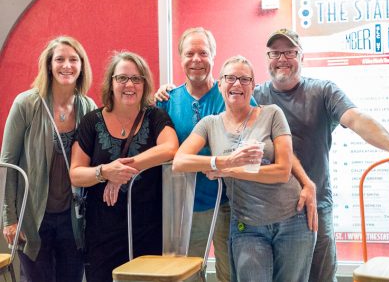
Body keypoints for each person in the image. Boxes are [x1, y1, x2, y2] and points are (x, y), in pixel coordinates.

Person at [253, 28, 389, 282]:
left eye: (289, 52)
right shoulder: (256, 96)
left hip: (316, 206)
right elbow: (221, 110)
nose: (282, 59)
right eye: (275, 53)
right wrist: (168, 92)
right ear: (267, 58)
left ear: (302, 56)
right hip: (270, 211)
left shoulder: (323, 91)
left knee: (321, 276)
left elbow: (356, 119)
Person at [173, 55, 316, 282]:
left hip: (292, 219)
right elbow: (180, 161)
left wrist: (229, 170)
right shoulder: (209, 124)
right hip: (246, 225)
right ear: (219, 84)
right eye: (230, 78)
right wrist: (223, 162)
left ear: (253, 86)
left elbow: (282, 171)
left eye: (244, 79)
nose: (237, 84)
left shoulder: (272, 114)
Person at [69, 51, 179, 282]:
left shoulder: (155, 117)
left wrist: (122, 172)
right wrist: (106, 171)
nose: (129, 84)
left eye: (136, 79)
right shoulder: (92, 121)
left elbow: (170, 148)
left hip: (147, 231)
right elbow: (76, 174)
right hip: (101, 234)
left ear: (144, 84)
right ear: (111, 83)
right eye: (122, 78)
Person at [0, 36, 97, 282]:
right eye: (60, 59)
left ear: (82, 65)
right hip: (32, 217)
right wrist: (11, 219)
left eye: (73, 59)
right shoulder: (26, 104)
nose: (67, 65)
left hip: (73, 220)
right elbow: (8, 165)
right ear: (49, 65)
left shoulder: (88, 107)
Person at [156, 27, 232, 282]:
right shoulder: (167, 100)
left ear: (213, 56)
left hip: (229, 204)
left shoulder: (230, 96)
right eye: (190, 53)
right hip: (186, 206)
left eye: (203, 52)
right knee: (187, 275)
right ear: (180, 58)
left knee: (230, 274)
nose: (196, 59)